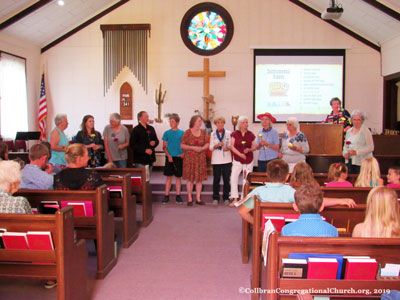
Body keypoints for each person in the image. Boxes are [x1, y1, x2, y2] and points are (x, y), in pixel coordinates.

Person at [238, 159, 356, 224]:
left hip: (266, 228)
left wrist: (259, 224)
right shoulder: (292, 192)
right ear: (287, 176)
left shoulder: (258, 192)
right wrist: (341, 200)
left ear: (267, 175)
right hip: (288, 226)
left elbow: (242, 212)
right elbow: (316, 201)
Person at [181, 115, 209, 206]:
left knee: (199, 180)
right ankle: (189, 198)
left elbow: (207, 144)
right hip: (190, 159)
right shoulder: (187, 132)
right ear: (193, 122)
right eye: (199, 121)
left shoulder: (204, 132)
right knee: (190, 179)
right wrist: (192, 147)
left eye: (201, 121)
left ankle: (198, 198)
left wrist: (202, 148)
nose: (200, 123)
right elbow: (182, 145)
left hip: (200, 159)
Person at [230, 116, 256, 204]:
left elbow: (254, 147)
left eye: (246, 122)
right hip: (237, 158)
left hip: (248, 159)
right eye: (244, 122)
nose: (246, 124)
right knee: (234, 177)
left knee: (246, 179)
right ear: (240, 124)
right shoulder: (235, 133)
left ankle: (244, 198)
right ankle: (235, 198)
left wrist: (249, 150)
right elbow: (232, 146)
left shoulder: (251, 134)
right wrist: (240, 154)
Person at [161, 114, 184, 205]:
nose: (171, 123)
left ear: (177, 122)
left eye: (173, 121)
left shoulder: (182, 133)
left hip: (178, 157)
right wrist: (169, 156)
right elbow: (164, 146)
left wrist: (183, 153)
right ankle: (166, 195)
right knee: (169, 177)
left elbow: (184, 145)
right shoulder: (166, 133)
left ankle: (178, 196)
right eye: (170, 122)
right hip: (169, 157)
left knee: (178, 177)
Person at [209, 116, 232, 205]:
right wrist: (215, 146)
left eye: (222, 122)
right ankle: (215, 197)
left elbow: (231, 145)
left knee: (226, 179)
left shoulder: (228, 133)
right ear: (215, 124)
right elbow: (210, 147)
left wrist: (228, 147)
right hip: (216, 160)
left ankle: (226, 197)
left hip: (226, 159)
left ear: (224, 123)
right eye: (218, 123)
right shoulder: (213, 134)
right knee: (216, 179)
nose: (220, 124)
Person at [342, 110, 374, 174]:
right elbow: (346, 146)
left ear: (362, 120)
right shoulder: (349, 131)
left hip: (362, 162)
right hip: (350, 162)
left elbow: (371, 147)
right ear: (351, 120)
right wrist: (345, 153)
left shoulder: (365, 131)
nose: (356, 122)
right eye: (354, 119)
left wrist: (357, 152)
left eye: (358, 119)